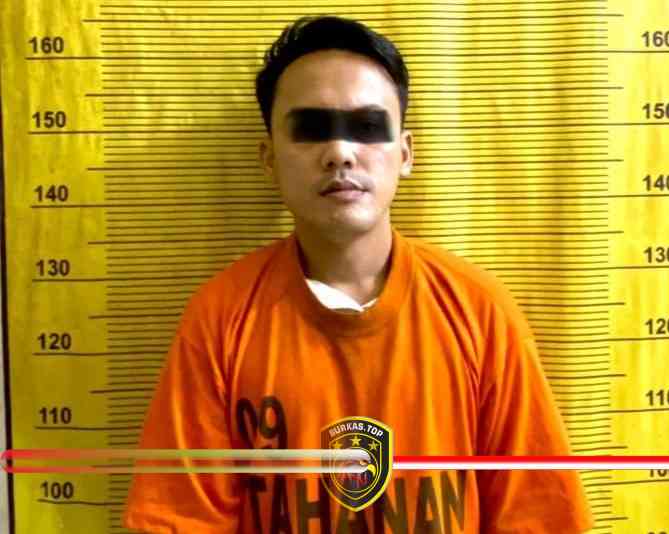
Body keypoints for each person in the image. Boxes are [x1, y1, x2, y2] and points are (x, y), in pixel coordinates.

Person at [123, 15, 594, 534]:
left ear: (405, 153)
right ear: (269, 157)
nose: (340, 153)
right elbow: (178, 521)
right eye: (311, 130)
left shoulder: (480, 313)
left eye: (367, 127)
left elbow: (540, 517)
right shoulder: (219, 319)